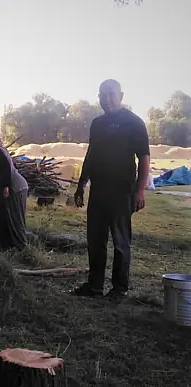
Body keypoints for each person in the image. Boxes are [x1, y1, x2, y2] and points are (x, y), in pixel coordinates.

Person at [72, 79, 150, 299]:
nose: (106, 99)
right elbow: (91, 155)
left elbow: (144, 158)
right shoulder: (97, 124)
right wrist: (81, 185)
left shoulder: (134, 123)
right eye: (102, 95)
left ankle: (119, 288)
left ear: (121, 95)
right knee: (95, 241)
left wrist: (140, 191)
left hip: (122, 191)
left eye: (111, 94)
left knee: (120, 242)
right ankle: (95, 286)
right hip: (98, 191)